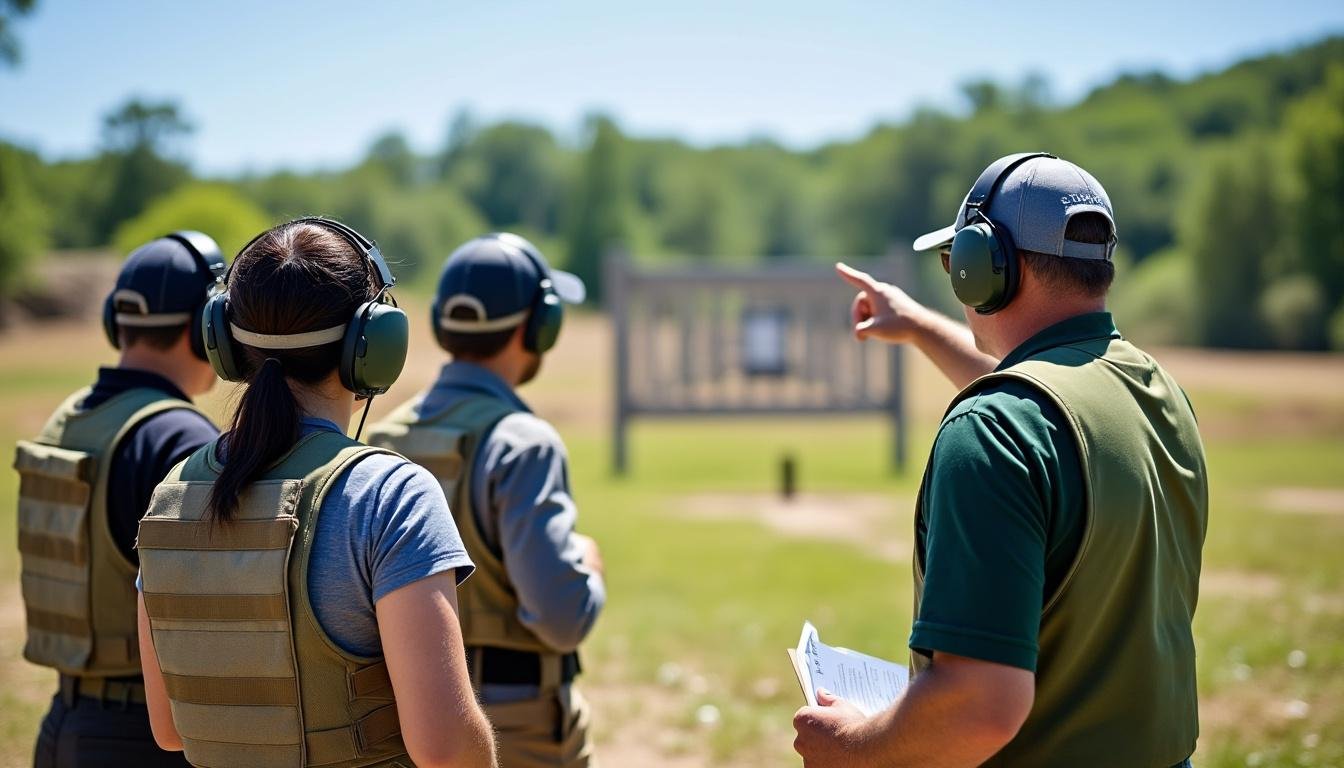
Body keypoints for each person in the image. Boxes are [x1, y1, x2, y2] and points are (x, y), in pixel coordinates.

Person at [793, 153, 1207, 768]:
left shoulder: (991, 432)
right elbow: (1044, 409)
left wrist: (850, 747)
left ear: (979, 267)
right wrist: (919, 326)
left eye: (953, 259)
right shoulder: (1155, 390)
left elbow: (979, 709)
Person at [134, 218, 496, 768]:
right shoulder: (390, 496)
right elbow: (447, 750)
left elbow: (169, 729)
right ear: (374, 343)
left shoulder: (174, 494)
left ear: (224, 341)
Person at [366, 233, 605, 768]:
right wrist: (589, 568)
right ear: (538, 326)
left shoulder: (382, 438)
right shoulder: (524, 442)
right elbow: (560, 618)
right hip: (516, 726)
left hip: (407, 719)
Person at [15, 232, 224, 768]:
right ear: (205, 326)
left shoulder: (71, 418)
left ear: (116, 321)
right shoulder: (180, 439)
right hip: (144, 736)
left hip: (62, 725)